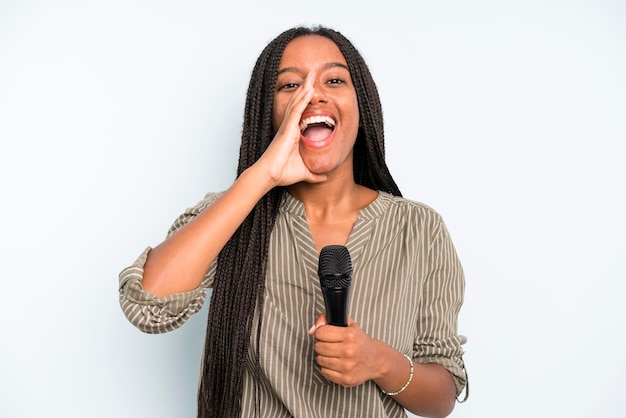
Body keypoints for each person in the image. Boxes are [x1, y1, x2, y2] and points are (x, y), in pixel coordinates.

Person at [119, 25, 468, 418]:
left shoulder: (419, 230)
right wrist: (261, 175)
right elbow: (148, 304)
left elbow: (441, 398)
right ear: (268, 112)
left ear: (363, 104)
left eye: (334, 80)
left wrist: (380, 361)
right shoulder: (233, 213)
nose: (312, 94)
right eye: (289, 86)